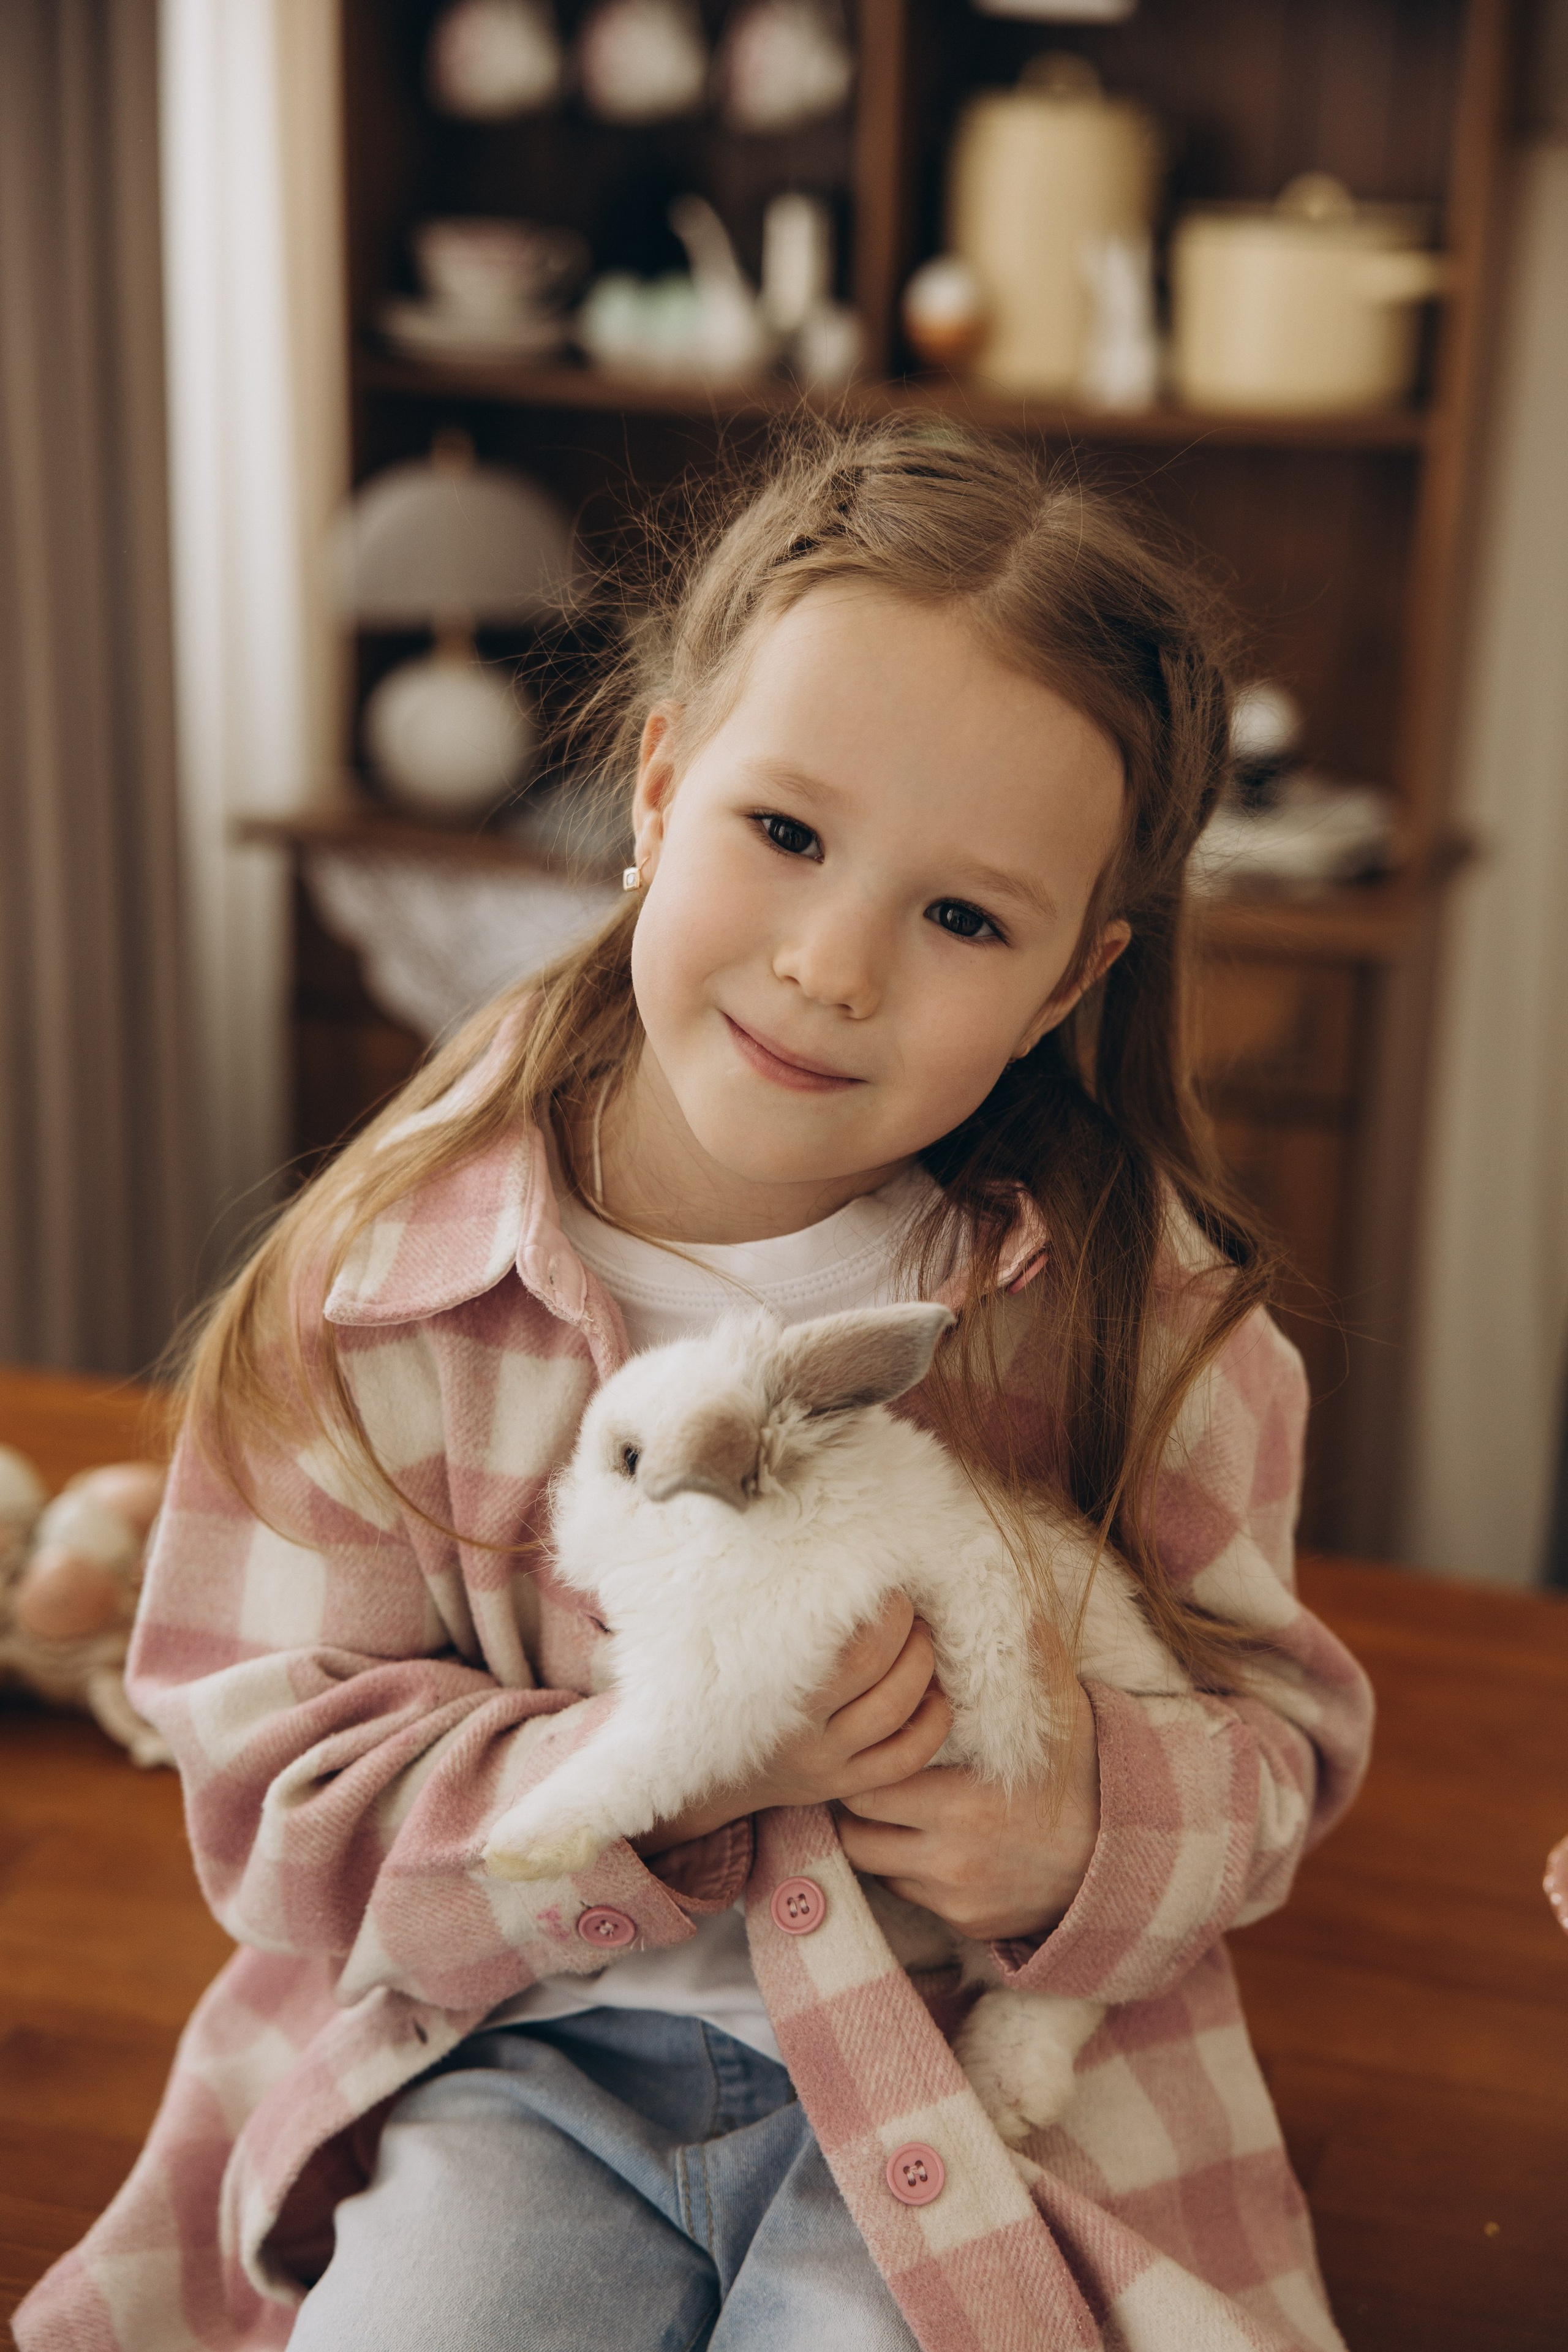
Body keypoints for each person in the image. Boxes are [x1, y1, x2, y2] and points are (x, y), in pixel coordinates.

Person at [16, 421, 1373, 2352]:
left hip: (972, 2091)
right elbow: (275, 1817)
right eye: (789, 835)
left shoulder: (1150, 1315)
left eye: (965, 918)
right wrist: (667, 1782)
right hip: (499, 2069)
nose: (833, 966)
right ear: (659, 784)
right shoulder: (373, 1293)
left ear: (1072, 983)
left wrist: (1080, 1827)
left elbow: (1280, 1748)